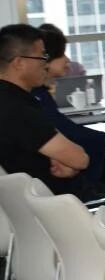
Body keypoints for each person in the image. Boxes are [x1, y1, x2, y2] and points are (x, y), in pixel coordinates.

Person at [32, 24, 105, 213]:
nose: (67, 59)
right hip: (68, 195)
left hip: (63, 191)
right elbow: (68, 132)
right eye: (62, 54)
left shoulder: (38, 95)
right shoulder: (34, 98)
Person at [0, 24, 91, 191]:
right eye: (43, 56)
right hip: (53, 200)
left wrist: (61, 159)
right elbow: (80, 159)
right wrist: (67, 160)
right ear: (19, 63)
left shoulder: (10, 98)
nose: (46, 64)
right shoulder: (18, 108)